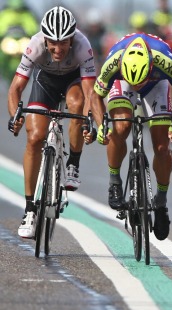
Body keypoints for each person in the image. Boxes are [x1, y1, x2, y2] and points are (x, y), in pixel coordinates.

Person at [89, 33, 172, 241]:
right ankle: (114, 181)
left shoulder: (164, 60)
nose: (137, 87)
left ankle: (161, 202)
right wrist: (102, 126)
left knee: (161, 147)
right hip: (122, 82)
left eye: (140, 82)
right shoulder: (114, 62)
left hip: (157, 84)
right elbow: (95, 95)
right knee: (120, 127)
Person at [7, 6, 95, 239]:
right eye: (53, 43)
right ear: (45, 39)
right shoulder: (34, 45)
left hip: (73, 83)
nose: (57, 49)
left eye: (63, 43)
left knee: (77, 106)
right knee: (35, 138)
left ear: (72, 39)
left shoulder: (83, 45)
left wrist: (89, 121)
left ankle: (73, 163)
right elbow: (16, 88)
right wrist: (15, 116)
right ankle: (29, 210)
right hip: (44, 83)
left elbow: (90, 92)